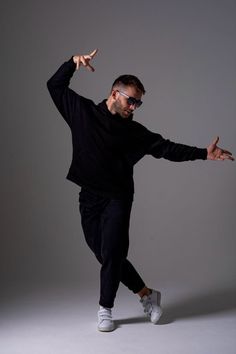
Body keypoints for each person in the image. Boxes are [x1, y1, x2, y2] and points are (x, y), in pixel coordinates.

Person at [47, 49, 234, 332]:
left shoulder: (135, 133)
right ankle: (147, 295)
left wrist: (203, 154)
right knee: (104, 253)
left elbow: (168, 149)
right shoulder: (82, 112)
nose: (134, 107)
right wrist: (73, 63)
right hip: (89, 197)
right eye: (131, 100)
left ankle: (105, 309)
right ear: (114, 93)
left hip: (118, 199)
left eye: (138, 104)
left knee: (111, 252)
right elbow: (54, 86)